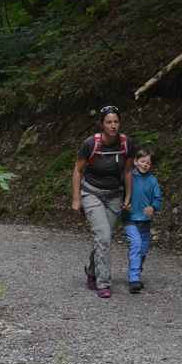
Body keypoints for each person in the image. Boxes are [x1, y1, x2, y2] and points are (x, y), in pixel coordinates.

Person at [71, 106, 135, 298]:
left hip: (115, 195)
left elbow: (128, 171)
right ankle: (103, 283)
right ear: (102, 124)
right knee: (104, 237)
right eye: (109, 122)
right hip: (92, 193)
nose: (113, 126)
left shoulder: (126, 144)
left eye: (116, 122)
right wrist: (76, 199)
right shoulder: (90, 144)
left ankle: (92, 271)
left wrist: (128, 197)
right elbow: (77, 170)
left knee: (103, 239)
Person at [123, 149, 162, 294]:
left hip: (145, 221)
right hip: (130, 219)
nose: (145, 165)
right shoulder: (129, 177)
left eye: (148, 163)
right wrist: (124, 205)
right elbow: (121, 193)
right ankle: (134, 279)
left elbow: (158, 198)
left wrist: (153, 207)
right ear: (135, 161)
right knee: (136, 244)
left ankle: (137, 273)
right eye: (143, 161)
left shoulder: (153, 181)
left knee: (143, 250)